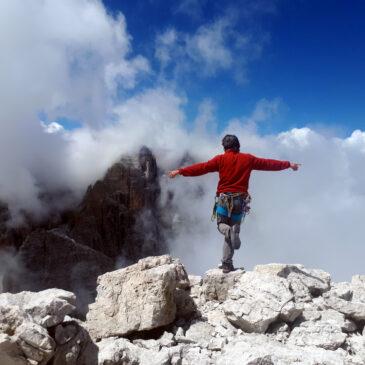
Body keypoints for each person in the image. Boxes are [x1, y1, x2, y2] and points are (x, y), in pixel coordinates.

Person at [168, 134, 300, 273]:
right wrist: (288, 164)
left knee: (222, 226)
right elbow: (268, 164)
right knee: (233, 230)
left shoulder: (220, 159)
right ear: (238, 146)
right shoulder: (248, 159)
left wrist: (180, 171)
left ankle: (227, 243)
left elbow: (202, 168)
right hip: (240, 201)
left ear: (224, 147)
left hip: (224, 200)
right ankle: (227, 263)